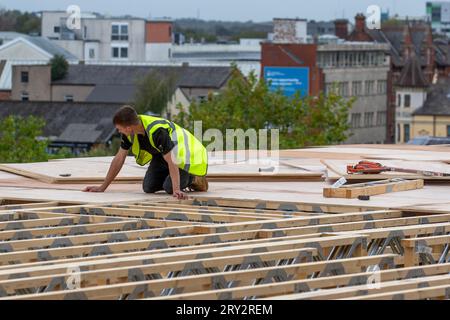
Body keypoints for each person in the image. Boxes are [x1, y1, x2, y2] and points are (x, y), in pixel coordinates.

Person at [83, 105, 208, 199]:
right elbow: (119, 158)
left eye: (119, 129)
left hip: (184, 156)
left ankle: (194, 178)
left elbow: (172, 159)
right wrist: (102, 187)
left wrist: (176, 189)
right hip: (162, 156)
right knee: (148, 187)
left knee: (170, 188)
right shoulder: (130, 133)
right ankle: (173, 178)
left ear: (128, 127)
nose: (119, 132)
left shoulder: (158, 132)